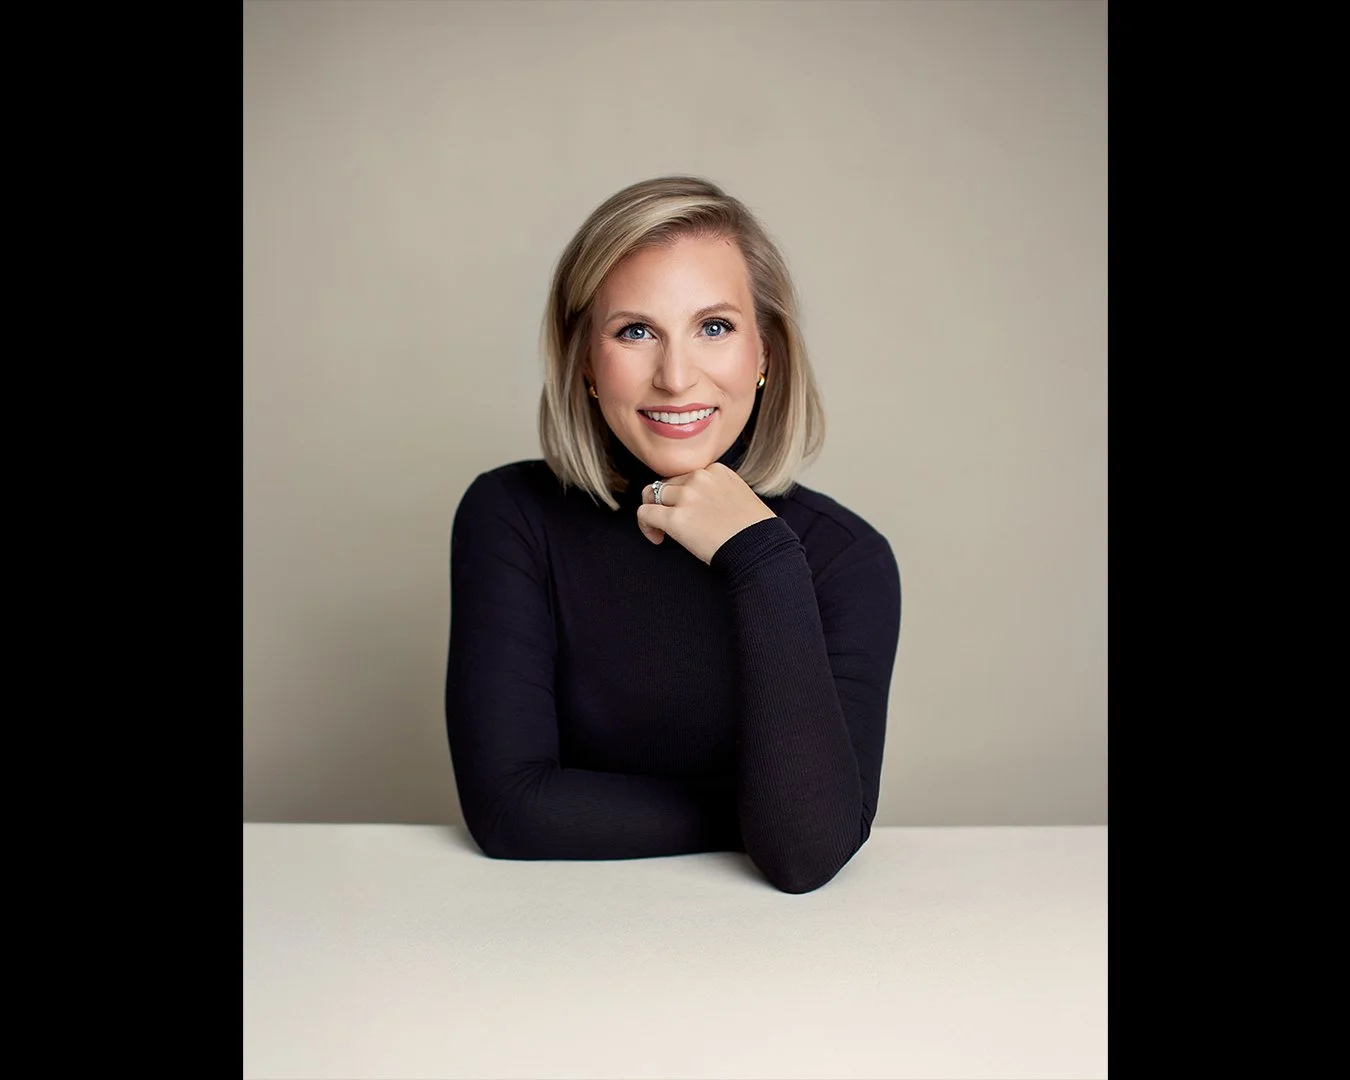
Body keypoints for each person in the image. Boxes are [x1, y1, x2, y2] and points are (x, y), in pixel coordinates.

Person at [444, 176, 901, 894]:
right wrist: (765, 808)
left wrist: (762, 557)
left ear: (765, 355)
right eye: (635, 331)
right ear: (587, 365)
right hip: (550, 946)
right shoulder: (512, 515)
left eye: (713, 327)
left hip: (777, 974)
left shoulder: (846, 559)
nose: (676, 376)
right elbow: (510, 813)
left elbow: (806, 856)